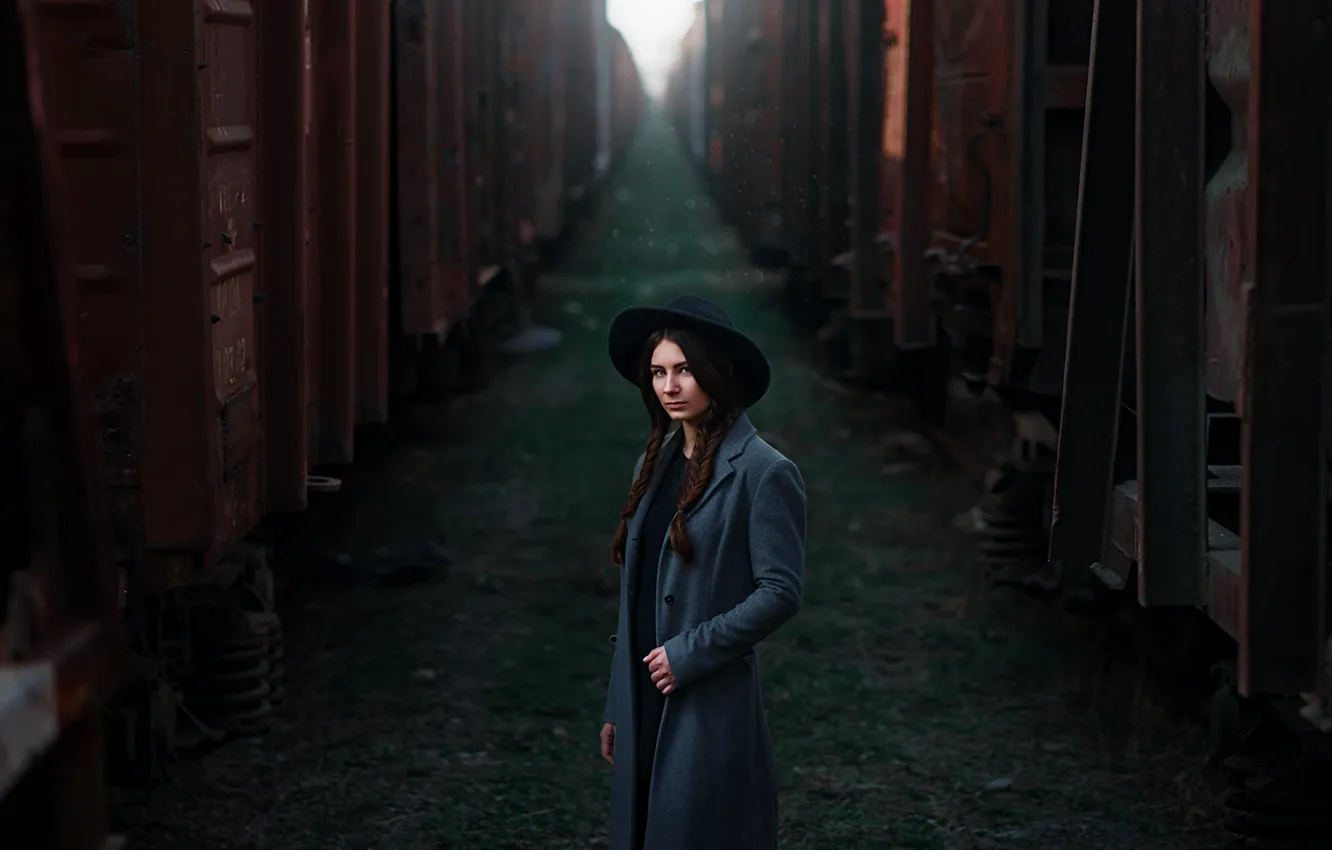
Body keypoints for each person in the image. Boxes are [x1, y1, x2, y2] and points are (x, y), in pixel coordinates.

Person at [599, 294, 807, 850]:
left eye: (685, 370)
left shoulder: (764, 472)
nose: (670, 387)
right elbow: (634, 594)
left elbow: (780, 591)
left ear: (720, 371)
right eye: (659, 372)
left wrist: (690, 652)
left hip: (706, 702)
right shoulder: (652, 464)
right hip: (643, 694)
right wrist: (619, 702)